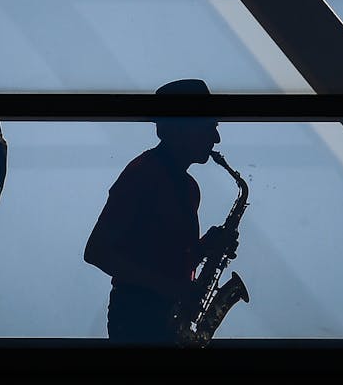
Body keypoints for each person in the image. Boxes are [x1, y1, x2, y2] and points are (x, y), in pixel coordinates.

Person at [84, 78, 239, 344]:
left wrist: (204, 248)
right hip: (137, 320)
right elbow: (97, 252)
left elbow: (167, 259)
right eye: (210, 126)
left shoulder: (189, 187)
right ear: (184, 128)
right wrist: (172, 288)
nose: (216, 138)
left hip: (161, 318)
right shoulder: (143, 173)